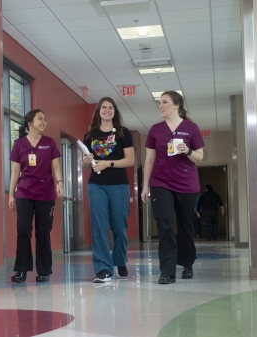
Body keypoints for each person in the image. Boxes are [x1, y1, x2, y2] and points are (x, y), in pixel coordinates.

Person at [141, 91, 205, 284]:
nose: (160, 105)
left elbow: (199, 157)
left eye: (164, 102)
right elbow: (150, 159)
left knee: (185, 226)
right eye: (159, 103)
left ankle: (187, 263)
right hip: (161, 183)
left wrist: (187, 150)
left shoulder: (191, 128)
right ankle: (167, 271)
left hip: (187, 183)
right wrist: (145, 186)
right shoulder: (155, 130)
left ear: (176, 105)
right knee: (165, 225)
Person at [82, 97, 135, 283]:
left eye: (110, 107)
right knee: (98, 227)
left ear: (114, 111)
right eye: (103, 107)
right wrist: (86, 162)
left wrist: (108, 163)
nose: (107, 110)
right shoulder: (89, 136)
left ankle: (119, 260)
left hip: (119, 185)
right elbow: (87, 166)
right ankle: (103, 269)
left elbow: (130, 160)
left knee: (119, 228)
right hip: (96, 185)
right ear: (98, 111)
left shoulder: (123, 133)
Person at [9, 109, 64, 283]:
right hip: (24, 191)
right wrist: (11, 194)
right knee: (23, 230)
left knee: (42, 232)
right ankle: (21, 270)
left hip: (45, 192)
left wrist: (60, 182)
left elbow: (55, 167)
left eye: (45, 119)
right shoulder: (19, 144)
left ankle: (44, 270)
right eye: (40, 119)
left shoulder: (50, 143)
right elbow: (15, 171)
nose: (44, 122)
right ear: (30, 123)